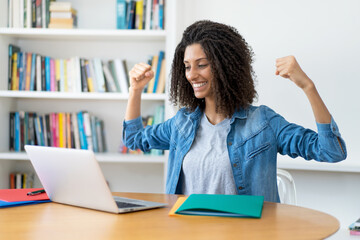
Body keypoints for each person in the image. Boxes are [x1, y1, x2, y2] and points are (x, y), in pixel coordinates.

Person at [123, 20, 347, 202]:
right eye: (187, 66)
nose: (191, 75)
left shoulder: (262, 123)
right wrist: (135, 90)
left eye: (201, 65)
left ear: (225, 66)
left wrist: (308, 87)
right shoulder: (181, 124)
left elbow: (331, 151)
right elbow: (133, 139)